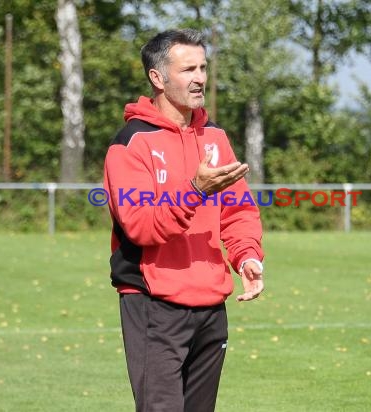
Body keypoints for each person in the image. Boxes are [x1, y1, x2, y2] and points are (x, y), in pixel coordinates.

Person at [103, 28, 265, 412]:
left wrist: (246, 256)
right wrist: (194, 189)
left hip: (211, 305)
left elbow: (238, 209)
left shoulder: (215, 138)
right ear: (157, 78)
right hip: (154, 305)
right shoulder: (130, 144)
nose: (200, 78)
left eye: (203, 67)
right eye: (188, 69)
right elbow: (141, 225)